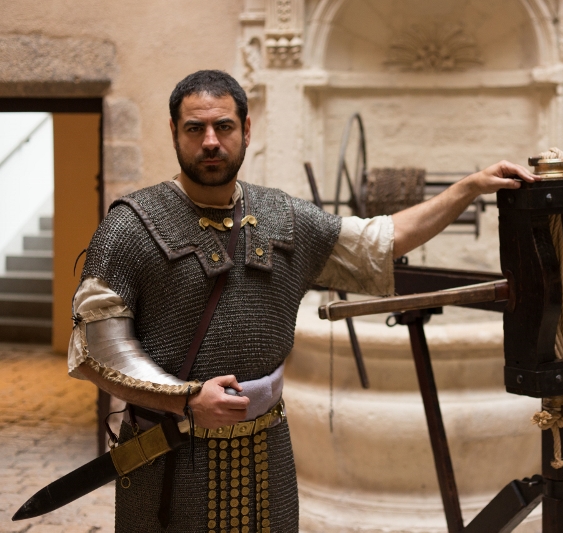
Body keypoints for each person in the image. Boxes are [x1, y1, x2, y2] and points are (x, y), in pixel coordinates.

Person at [69, 69, 537, 532]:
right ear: (174, 132)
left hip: (266, 452)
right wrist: (185, 400)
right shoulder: (131, 225)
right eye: (195, 128)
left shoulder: (282, 216)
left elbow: (379, 241)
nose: (210, 141)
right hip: (169, 457)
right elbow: (96, 348)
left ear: (246, 130)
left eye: (223, 126)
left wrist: (468, 187)